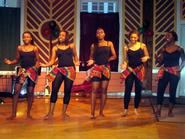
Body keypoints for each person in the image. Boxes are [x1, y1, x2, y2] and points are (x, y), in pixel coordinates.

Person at [41, 29, 80, 120]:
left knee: (67, 91)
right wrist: (45, 64)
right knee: (54, 90)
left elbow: (75, 56)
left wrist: (77, 62)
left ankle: (64, 113)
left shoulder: (71, 46)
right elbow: (52, 61)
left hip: (70, 70)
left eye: (62, 35)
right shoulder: (55, 48)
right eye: (59, 35)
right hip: (60, 70)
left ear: (66, 37)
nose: (60, 37)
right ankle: (50, 113)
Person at [4, 31, 40, 120]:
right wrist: (10, 62)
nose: (26, 38)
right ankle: (13, 114)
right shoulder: (19, 48)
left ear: (31, 38)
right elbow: (17, 59)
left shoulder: (35, 48)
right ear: (23, 38)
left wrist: (35, 67)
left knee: (30, 92)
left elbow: (38, 61)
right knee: (16, 91)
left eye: (28, 37)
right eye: (24, 37)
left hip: (31, 71)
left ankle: (28, 114)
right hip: (23, 71)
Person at [87, 27, 117, 119]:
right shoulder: (93, 45)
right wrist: (91, 61)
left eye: (101, 32)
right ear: (96, 35)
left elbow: (114, 56)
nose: (100, 34)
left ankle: (101, 113)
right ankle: (92, 113)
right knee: (94, 90)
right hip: (96, 69)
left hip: (106, 69)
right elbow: (91, 57)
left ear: (104, 34)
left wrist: (107, 60)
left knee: (104, 90)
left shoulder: (109, 43)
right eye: (98, 32)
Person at [155, 31, 185, 117]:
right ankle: (158, 110)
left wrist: (180, 68)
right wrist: (157, 59)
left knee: (172, 91)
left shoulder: (179, 49)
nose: (166, 36)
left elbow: (184, 60)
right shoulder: (163, 49)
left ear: (174, 37)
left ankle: (170, 111)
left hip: (174, 72)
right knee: (160, 90)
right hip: (165, 71)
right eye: (165, 35)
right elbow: (161, 63)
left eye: (168, 35)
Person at [120, 30, 149, 116]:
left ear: (138, 37)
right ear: (129, 37)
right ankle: (125, 109)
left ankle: (136, 108)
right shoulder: (126, 47)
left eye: (135, 37)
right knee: (127, 90)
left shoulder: (142, 45)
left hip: (139, 70)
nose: (133, 39)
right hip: (130, 70)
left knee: (138, 90)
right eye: (132, 37)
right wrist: (124, 64)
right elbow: (126, 60)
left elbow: (147, 55)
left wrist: (146, 58)